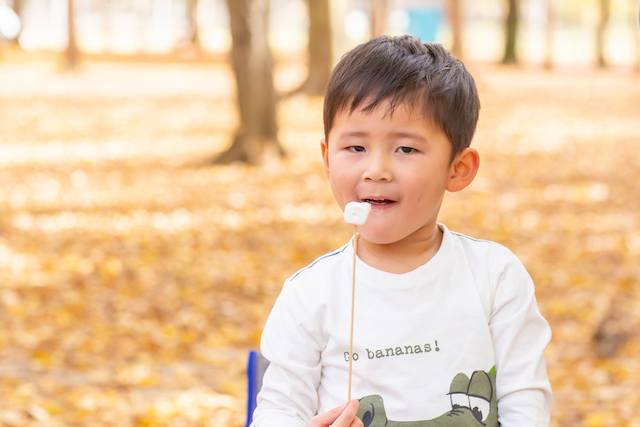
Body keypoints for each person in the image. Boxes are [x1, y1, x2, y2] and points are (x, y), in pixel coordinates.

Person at [251, 35, 552, 427]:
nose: (376, 169)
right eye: (355, 148)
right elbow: (278, 411)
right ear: (327, 158)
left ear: (458, 169)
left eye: (406, 150)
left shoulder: (495, 277)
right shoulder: (310, 295)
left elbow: (525, 404)